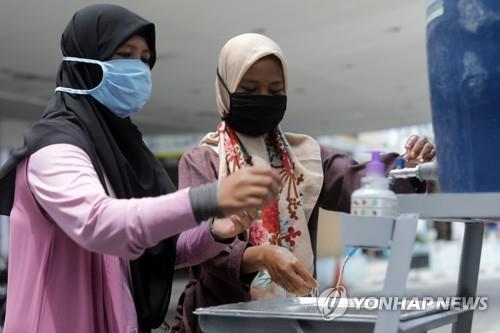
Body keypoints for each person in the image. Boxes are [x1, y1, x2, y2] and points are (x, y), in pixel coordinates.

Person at [0, 9, 281, 333]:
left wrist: (217, 230)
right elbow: (102, 225)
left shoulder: (123, 151)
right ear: (83, 61)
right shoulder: (55, 149)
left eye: (145, 57)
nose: (139, 68)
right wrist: (209, 198)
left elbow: (160, 247)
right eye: (125, 54)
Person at [172, 33, 435, 333]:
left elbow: (359, 179)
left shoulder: (304, 157)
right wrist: (262, 256)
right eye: (249, 89)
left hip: (291, 318)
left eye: (275, 90)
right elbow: (197, 244)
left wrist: (407, 168)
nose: (263, 98)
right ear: (225, 89)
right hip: (220, 321)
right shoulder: (203, 160)